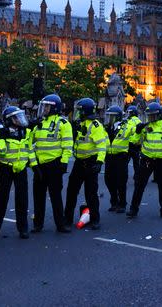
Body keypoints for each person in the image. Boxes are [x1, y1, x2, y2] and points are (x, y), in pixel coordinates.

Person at [29, 94, 73, 234]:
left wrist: (64, 163)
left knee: (55, 196)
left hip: (55, 165)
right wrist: (34, 165)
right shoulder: (40, 123)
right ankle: (38, 224)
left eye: (47, 106)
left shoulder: (63, 123)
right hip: (39, 166)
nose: (44, 109)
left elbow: (67, 145)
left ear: (54, 108)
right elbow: (28, 143)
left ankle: (61, 224)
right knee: (38, 196)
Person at [127, 102, 162, 219]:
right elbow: (135, 142)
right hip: (147, 160)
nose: (150, 118)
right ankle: (133, 209)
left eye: (152, 115)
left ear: (159, 115)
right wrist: (137, 131)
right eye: (149, 115)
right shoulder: (145, 126)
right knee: (139, 185)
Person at [0, 106, 35, 239]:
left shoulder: (25, 132)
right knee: (2, 200)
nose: (20, 119)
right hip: (6, 169)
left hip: (21, 170)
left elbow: (29, 149)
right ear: (9, 120)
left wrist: (34, 165)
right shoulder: (1, 131)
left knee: (22, 200)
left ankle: (23, 229)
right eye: (16, 117)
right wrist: (3, 138)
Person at [64, 98, 107, 229]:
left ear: (85, 111)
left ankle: (95, 219)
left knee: (91, 193)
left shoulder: (95, 126)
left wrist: (99, 162)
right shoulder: (80, 124)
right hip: (79, 162)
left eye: (80, 111)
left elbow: (101, 146)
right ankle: (67, 219)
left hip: (90, 162)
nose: (78, 113)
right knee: (71, 191)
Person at [103, 106, 129, 213]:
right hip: (109, 156)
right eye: (108, 116)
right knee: (108, 179)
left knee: (121, 181)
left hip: (121, 157)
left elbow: (134, 133)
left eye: (112, 117)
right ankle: (114, 201)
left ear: (117, 118)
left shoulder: (126, 127)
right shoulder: (107, 128)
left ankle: (122, 203)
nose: (109, 119)